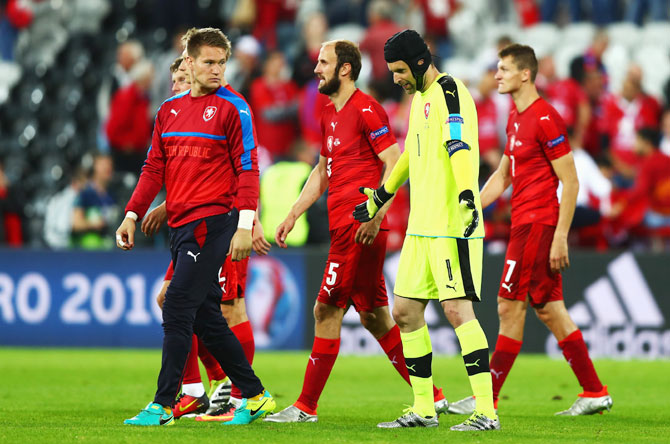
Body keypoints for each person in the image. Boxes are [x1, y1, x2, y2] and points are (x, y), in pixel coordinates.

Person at [264, 39, 448, 424]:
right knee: (375, 317)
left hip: (358, 224)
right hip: (345, 225)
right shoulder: (329, 114)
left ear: (344, 69)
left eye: (323, 62)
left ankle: (305, 407)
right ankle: (433, 396)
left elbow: (394, 160)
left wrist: (377, 213)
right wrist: (293, 212)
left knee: (325, 309)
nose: (316, 69)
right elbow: (322, 171)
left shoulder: (367, 109)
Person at [116, 27, 275, 427]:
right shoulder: (169, 111)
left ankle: (164, 404)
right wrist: (132, 213)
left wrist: (243, 224)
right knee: (206, 317)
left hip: (213, 223)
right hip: (182, 226)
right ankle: (255, 396)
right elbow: (154, 167)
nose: (217, 70)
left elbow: (247, 169)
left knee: (176, 306)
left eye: (222, 62)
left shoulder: (233, 108)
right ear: (188, 61)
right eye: (208, 62)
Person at [447, 43, 613, 417]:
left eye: (504, 69)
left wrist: (559, 236)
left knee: (508, 306)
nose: (497, 75)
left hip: (538, 225)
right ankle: (594, 391)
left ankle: (484, 398)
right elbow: (505, 173)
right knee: (551, 310)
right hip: (525, 224)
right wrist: (471, 205)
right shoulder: (516, 118)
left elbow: (569, 183)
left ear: (525, 74)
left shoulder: (546, 118)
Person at [354, 29, 499, 431]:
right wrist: (379, 198)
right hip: (422, 227)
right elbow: (409, 158)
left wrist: (469, 197)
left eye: (400, 70)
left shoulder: (450, 91)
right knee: (403, 312)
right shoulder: (418, 100)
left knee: (456, 310)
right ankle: (423, 408)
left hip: (453, 223)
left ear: (419, 62)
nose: (396, 78)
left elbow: (459, 148)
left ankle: (486, 411)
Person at [72, 153, 118, 250]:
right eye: (103, 165)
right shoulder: (85, 193)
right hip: (88, 249)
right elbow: (76, 224)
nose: (107, 168)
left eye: (110, 164)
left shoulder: (114, 194)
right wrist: (93, 224)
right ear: (94, 167)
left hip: (111, 248)